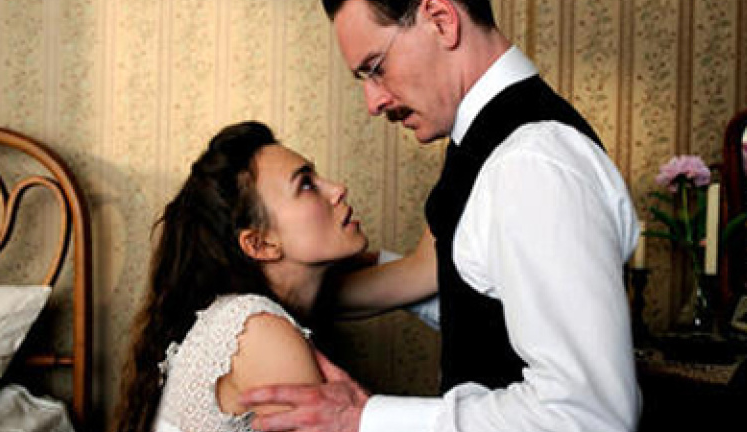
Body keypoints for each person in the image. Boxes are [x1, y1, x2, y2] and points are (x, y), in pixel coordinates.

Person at [240, 0, 642, 431]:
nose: (373, 102)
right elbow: (491, 306)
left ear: (441, 20)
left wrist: (366, 419)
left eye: (376, 68)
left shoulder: (530, 162)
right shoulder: (487, 142)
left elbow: (588, 414)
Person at [112, 120, 369, 432]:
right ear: (261, 244)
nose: (338, 189)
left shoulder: (246, 313)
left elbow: (418, 276)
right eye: (306, 184)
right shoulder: (258, 331)